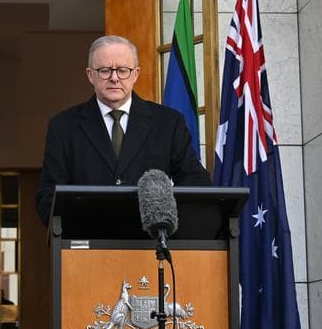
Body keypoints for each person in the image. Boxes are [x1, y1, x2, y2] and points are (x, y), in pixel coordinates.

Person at [36, 35, 211, 222]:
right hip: (89, 243)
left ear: (135, 74)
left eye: (122, 70)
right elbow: (48, 198)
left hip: (151, 243)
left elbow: (196, 183)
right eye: (104, 70)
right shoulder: (63, 127)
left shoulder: (168, 122)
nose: (114, 78)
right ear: (90, 75)